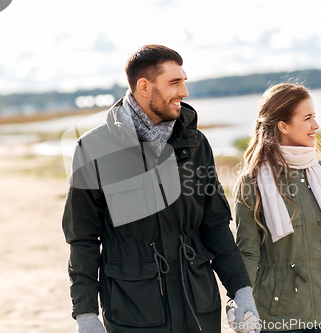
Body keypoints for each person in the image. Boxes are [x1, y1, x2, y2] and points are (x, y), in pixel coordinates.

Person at [62, 44, 259, 333]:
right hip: (133, 313)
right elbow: (83, 239)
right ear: (144, 86)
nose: (184, 92)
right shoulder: (93, 149)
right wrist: (86, 314)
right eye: (174, 82)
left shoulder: (195, 144)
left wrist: (241, 290)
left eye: (184, 82)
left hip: (199, 308)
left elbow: (214, 223)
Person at [233, 83, 321, 333]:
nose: (316, 126)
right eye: (308, 118)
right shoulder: (253, 181)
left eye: (315, 117)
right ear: (283, 125)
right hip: (277, 316)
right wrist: (242, 305)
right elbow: (247, 252)